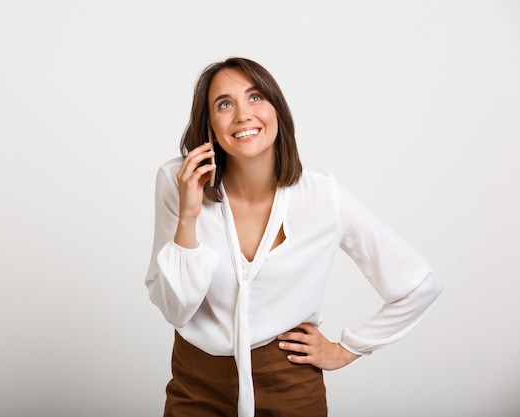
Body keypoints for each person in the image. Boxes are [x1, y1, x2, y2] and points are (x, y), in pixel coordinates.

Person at [144, 57, 443, 417]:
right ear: (209, 125)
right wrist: (189, 217)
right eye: (225, 104)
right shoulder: (177, 182)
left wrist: (347, 349)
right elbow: (176, 309)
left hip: (288, 382)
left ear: (277, 109)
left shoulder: (321, 194)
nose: (243, 115)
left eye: (255, 98)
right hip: (197, 384)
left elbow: (419, 283)